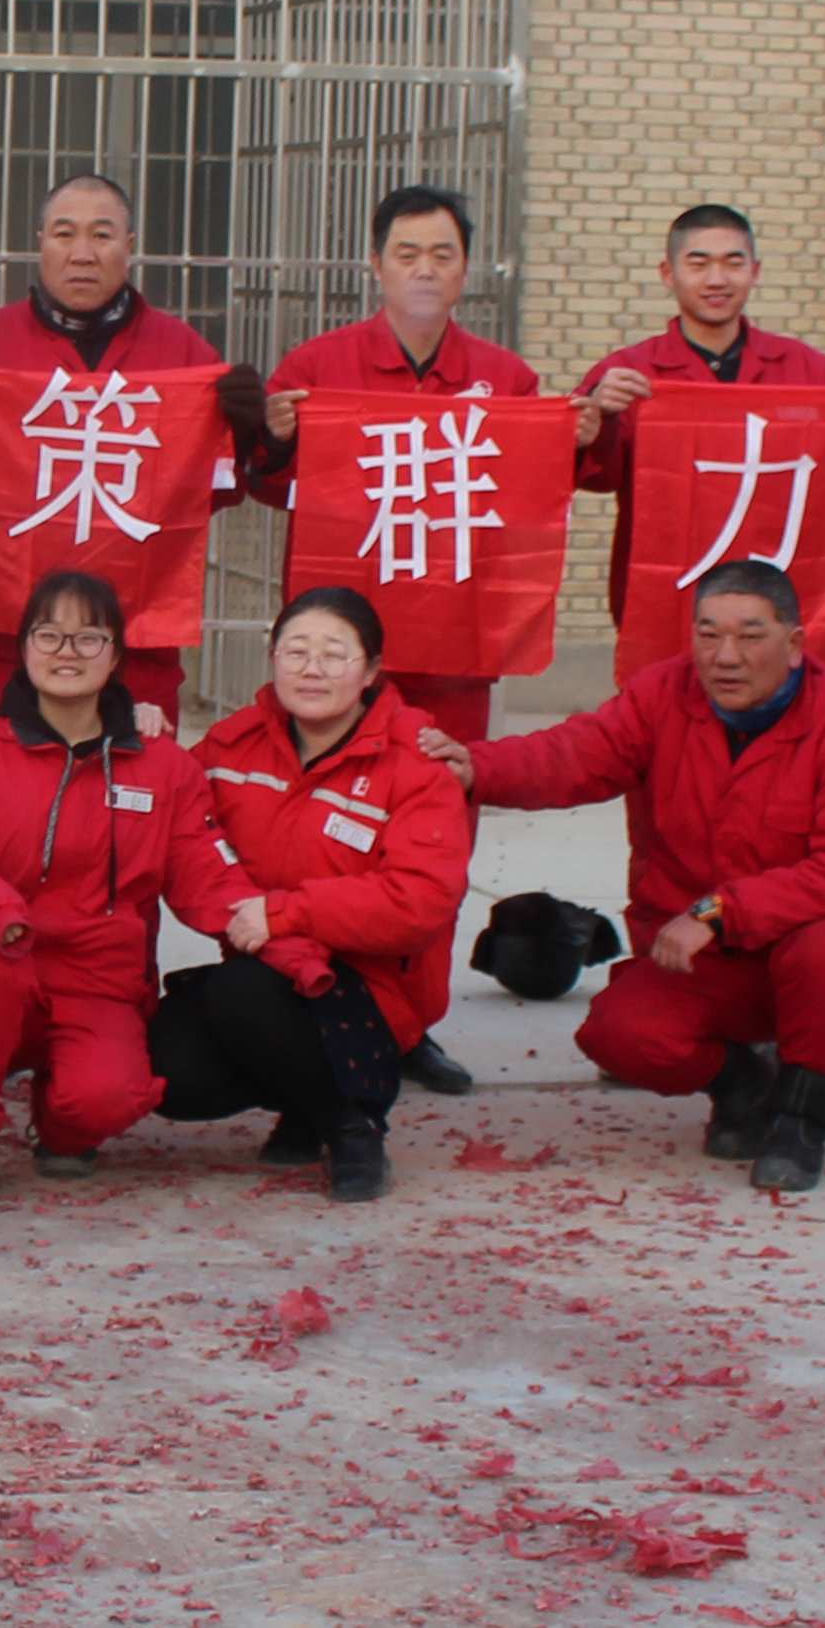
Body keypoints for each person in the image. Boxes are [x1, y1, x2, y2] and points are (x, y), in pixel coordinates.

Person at [429, 559, 825, 1195]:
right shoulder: (662, 696)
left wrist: (718, 911)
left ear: (794, 645)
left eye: (750, 636)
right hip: (702, 958)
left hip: (808, 951)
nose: (725, 657)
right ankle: (744, 1085)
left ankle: (801, 1121)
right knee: (623, 1036)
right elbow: (576, 754)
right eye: (708, 635)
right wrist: (477, 768)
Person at [243, 180, 535, 1098]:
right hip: (341, 660)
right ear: (375, 265)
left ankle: (411, 1026)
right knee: (328, 843)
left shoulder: (507, 380)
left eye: (441, 254)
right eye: (406, 253)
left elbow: (534, 494)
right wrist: (275, 440)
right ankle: (321, 1007)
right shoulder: (318, 366)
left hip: (451, 651)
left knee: (431, 844)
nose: (423, 270)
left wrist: (577, 436)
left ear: (466, 269)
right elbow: (263, 484)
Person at [0, 569, 247, 1209]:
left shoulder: (162, 765)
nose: (67, 652)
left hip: (98, 979)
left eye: (89, 638)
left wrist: (269, 927)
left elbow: (206, 872)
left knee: (105, 1101)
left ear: (116, 656)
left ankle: (58, 1121)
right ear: (23, 648)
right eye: (49, 635)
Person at [162, 589, 478, 1203]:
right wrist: (137, 735)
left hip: (374, 991)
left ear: (371, 669)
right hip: (270, 971)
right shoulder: (232, 746)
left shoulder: (416, 761)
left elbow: (419, 900)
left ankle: (351, 1126)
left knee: (243, 990)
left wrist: (283, 915)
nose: (312, 669)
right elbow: (175, 825)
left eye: (334, 655)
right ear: (273, 657)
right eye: (296, 651)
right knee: (167, 1068)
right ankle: (306, 1102)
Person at [0, 175, 255, 723]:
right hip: (3, 638)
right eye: (65, 234)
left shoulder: (184, 355)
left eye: (101, 235)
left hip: (134, 640)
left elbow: (212, 495)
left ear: (129, 246)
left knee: (134, 773)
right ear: (40, 242)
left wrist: (248, 433)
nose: (82, 254)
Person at [566, 204, 825, 620]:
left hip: (777, 591)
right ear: (668, 273)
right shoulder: (629, 373)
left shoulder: (806, 370)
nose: (717, 280)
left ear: (755, 271)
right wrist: (596, 423)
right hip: (666, 590)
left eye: (733, 263)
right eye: (698, 264)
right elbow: (592, 476)